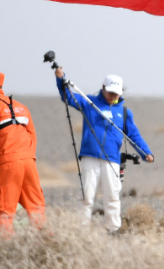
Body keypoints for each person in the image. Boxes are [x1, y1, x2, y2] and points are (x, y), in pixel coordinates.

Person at [55, 69, 153, 232]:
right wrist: (60, 79)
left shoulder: (124, 112)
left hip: (112, 159)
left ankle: (113, 229)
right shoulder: (88, 102)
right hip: (90, 156)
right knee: (87, 195)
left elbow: (133, 134)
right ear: (103, 88)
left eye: (116, 93)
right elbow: (67, 96)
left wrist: (146, 152)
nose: (112, 96)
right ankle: (82, 229)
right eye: (110, 92)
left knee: (112, 196)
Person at [0, 71, 46, 232]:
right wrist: (27, 156)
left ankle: (5, 250)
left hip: (7, 164)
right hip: (28, 162)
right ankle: (48, 245)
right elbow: (32, 136)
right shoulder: (21, 107)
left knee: (3, 212)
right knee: (36, 208)